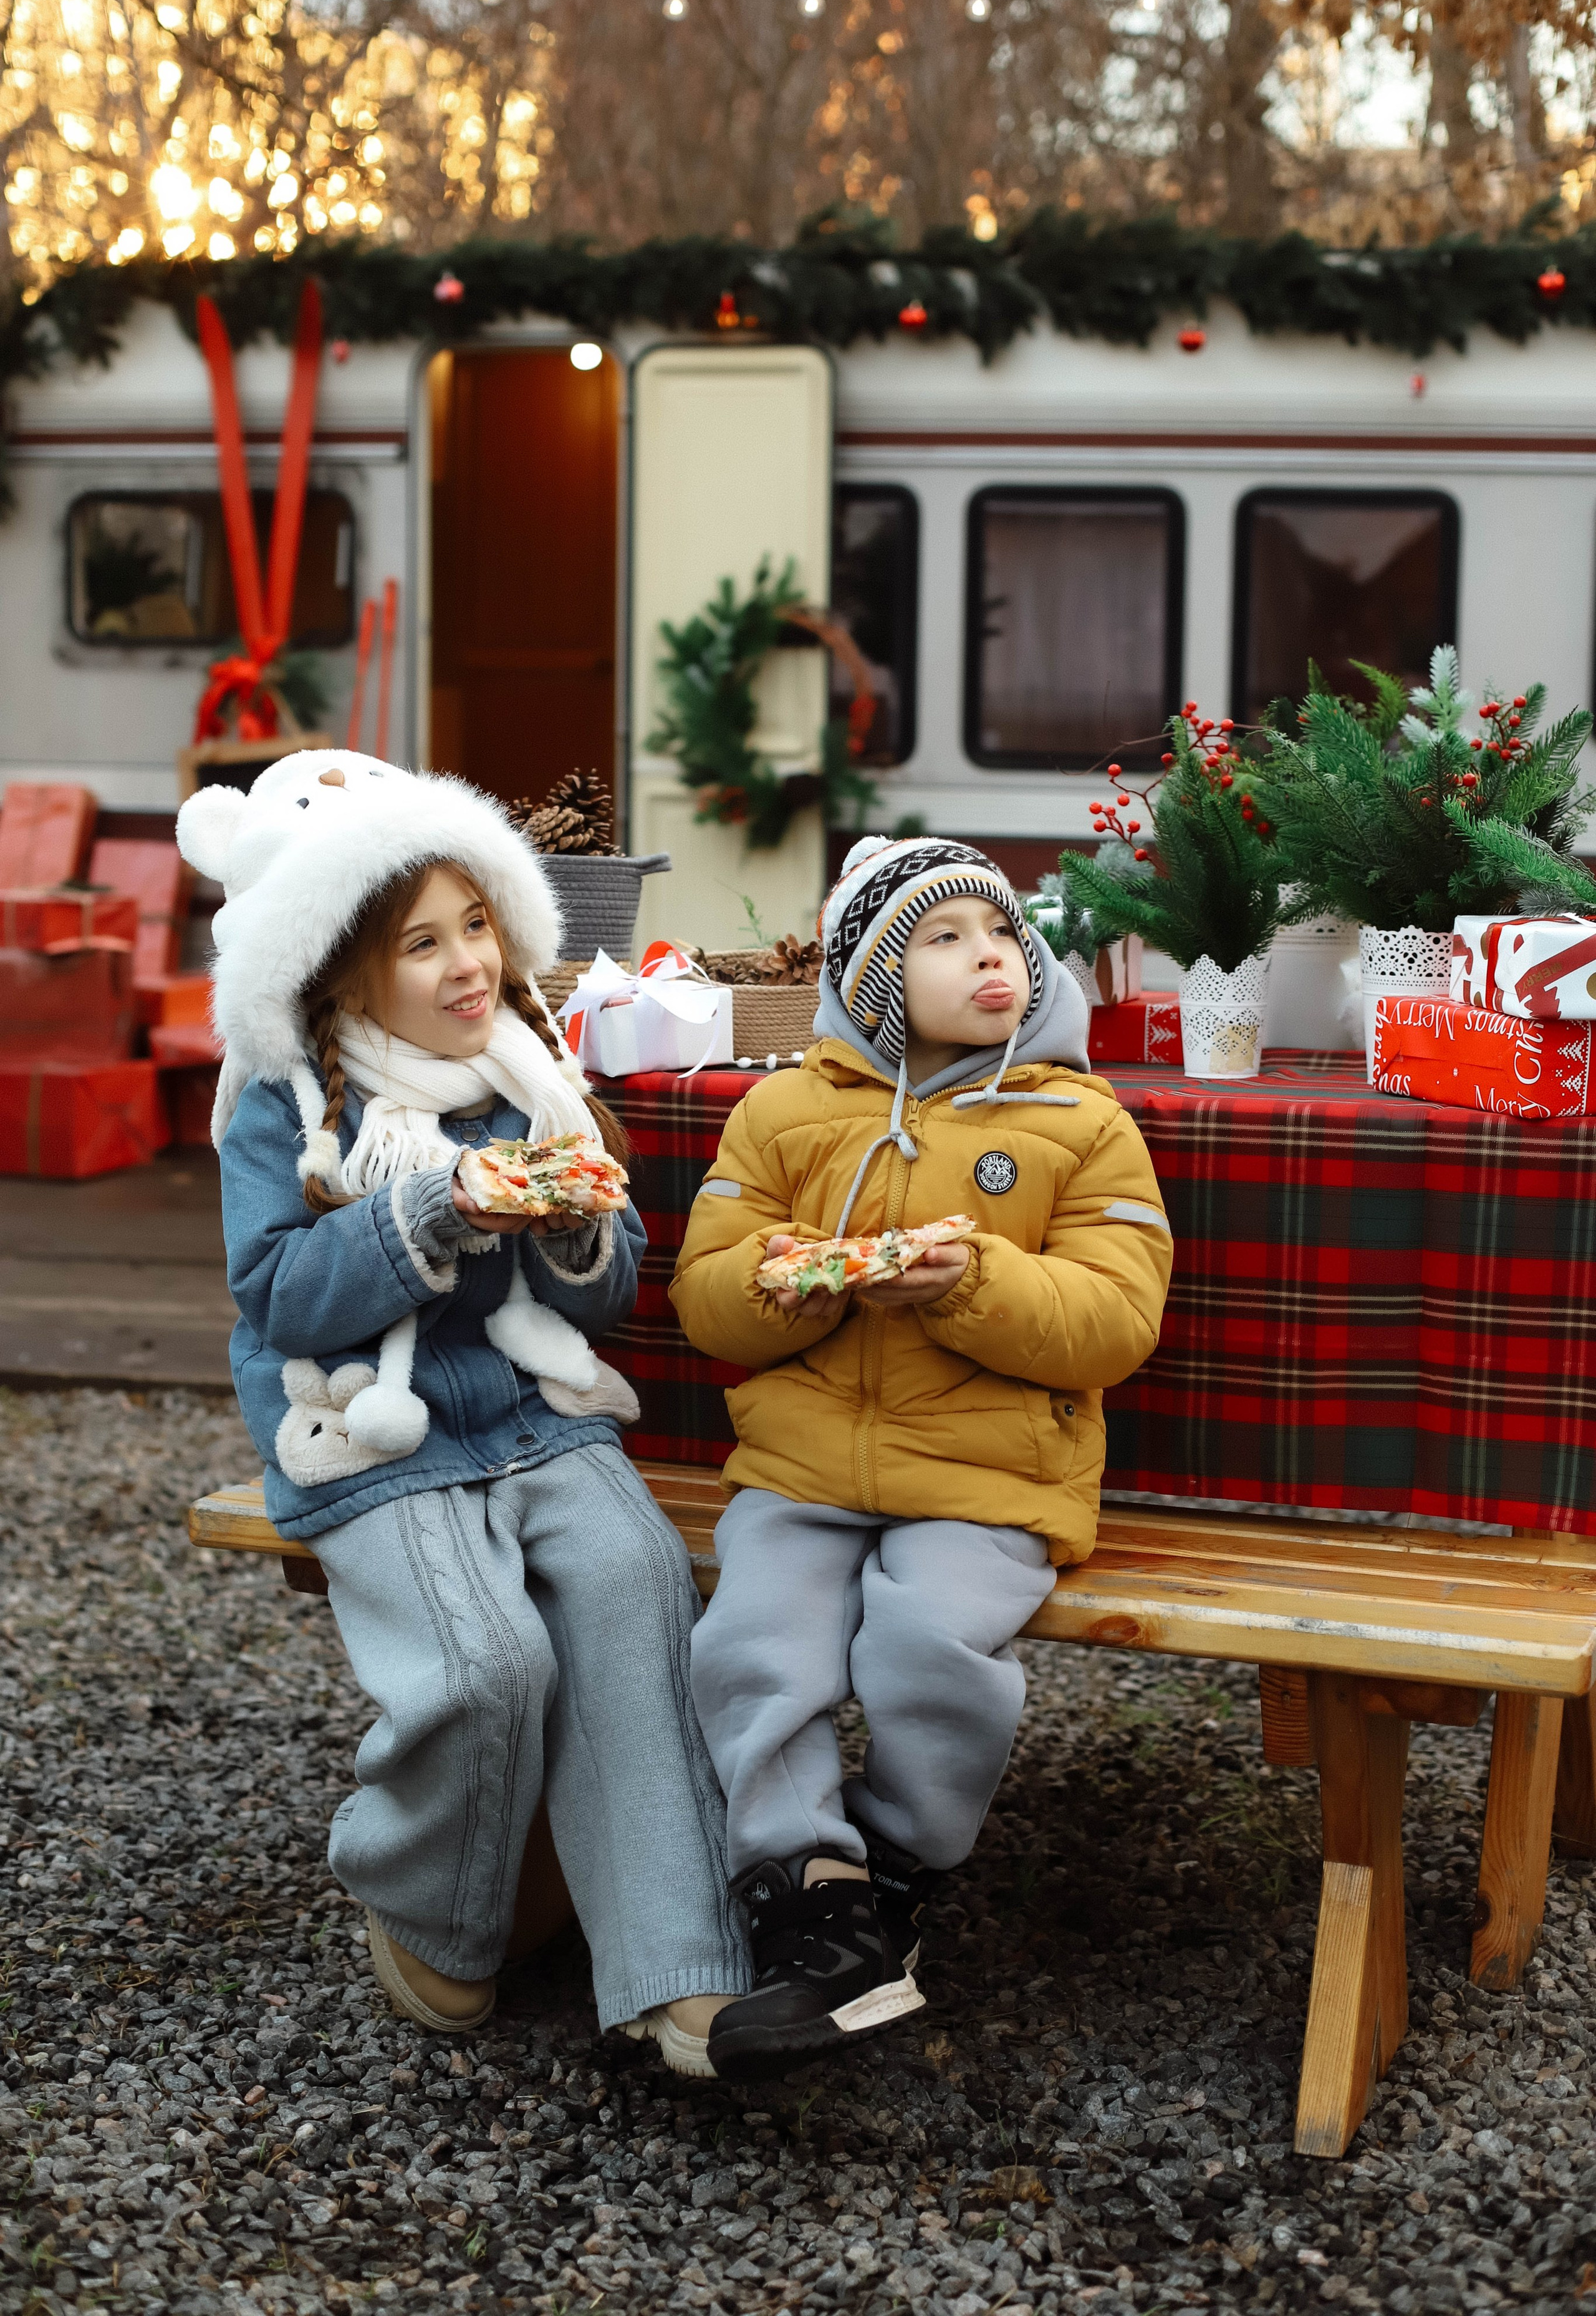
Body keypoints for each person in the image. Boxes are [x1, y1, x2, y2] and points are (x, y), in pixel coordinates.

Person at [183, 750, 750, 2072]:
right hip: (372, 1435)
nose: (465, 965)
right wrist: (430, 1204)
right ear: (339, 972)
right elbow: (278, 1298)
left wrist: (571, 1218)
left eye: (477, 924)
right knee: (487, 1663)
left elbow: (602, 1299)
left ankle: (675, 1964)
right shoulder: (286, 1107)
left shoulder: (526, 1074)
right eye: (420, 943)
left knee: (635, 1581)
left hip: (534, 1414)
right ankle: (429, 1900)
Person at [671, 834, 1173, 2082]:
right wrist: (791, 1285)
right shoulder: (784, 1113)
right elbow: (706, 1294)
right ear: (874, 978)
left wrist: (975, 1282)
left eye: (1000, 933)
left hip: (990, 1474)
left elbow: (1114, 1319)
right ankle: (805, 1880)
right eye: (940, 940)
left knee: (930, 1644)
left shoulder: (1079, 1121)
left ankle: (895, 1866)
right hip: (801, 1467)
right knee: (754, 1640)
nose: (987, 956)